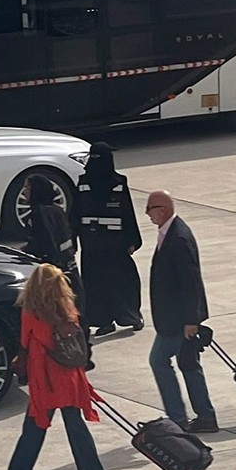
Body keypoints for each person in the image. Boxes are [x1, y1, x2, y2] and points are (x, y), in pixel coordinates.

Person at [0, 264, 107, 470]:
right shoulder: (68, 309)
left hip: (46, 376)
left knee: (35, 423)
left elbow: (26, 342)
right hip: (70, 375)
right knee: (74, 423)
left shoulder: (31, 312)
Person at [144, 190, 217, 433]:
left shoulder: (178, 238)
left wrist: (190, 319)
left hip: (177, 319)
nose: (148, 215)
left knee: (159, 360)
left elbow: (191, 281)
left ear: (162, 210)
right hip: (175, 317)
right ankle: (205, 416)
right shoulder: (169, 233)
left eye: (150, 210)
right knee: (188, 363)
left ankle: (177, 417)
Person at [73, 142, 145, 337]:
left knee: (124, 281)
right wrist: (72, 240)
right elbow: (75, 213)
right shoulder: (82, 184)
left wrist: (133, 240)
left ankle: (131, 316)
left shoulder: (119, 183)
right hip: (92, 245)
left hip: (116, 244)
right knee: (95, 285)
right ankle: (103, 321)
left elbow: (127, 212)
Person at [23, 174, 93, 369]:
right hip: (70, 269)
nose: (25, 193)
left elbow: (44, 244)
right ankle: (84, 353)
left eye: (27, 188)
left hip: (55, 274)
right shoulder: (57, 211)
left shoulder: (38, 214)